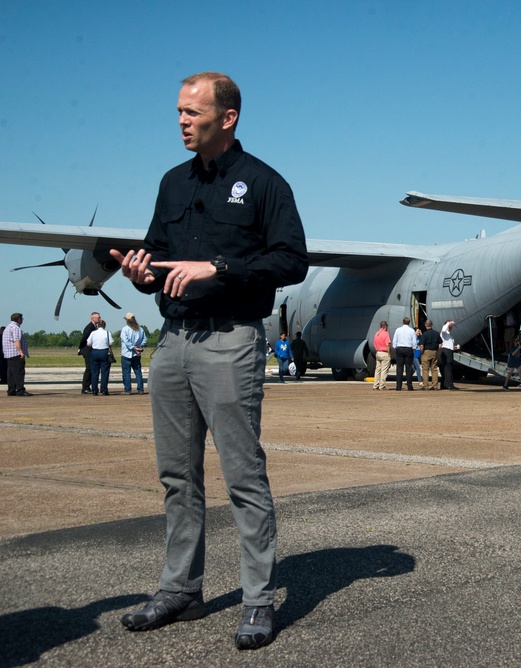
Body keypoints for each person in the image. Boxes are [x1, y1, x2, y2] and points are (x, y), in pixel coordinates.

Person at [111, 72, 308, 650]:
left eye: (192, 112)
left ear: (228, 118)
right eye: (177, 111)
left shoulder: (265, 183)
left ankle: (256, 600)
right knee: (177, 475)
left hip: (230, 341)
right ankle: (181, 590)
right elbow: (160, 259)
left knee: (243, 476)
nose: (180, 121)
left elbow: (291, 261)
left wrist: (219, 267)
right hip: (172, 342)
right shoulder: (172, 183)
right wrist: (143, 272)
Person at [120, 312, 148, 395]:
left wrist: (133, 348)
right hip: (137, 354)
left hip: (127, 354)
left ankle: (127, 389)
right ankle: (140, 389)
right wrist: (139, 347)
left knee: (126, 372)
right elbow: (144, 339)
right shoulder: (140, 329)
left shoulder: (125, 329)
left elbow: (126, 341)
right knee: (138, 372)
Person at [3, 313, 30, 397]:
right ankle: (20, 390)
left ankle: (11, 390)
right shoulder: (16, 328)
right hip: (16, 354)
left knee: (11, 373)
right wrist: (21, 351)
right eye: (22, 318)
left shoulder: (8, 328)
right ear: (19, 319)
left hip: (9, 354)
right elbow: (16, 340)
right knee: (19, 372)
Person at [86, 319, 114, 396]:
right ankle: (104, 389)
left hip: (94, 352)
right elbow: (111, 343)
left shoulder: (93, 333)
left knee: (94, 372)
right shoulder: (107, 333)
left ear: (97, 325)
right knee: (105, 372)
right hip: (104, 352)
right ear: (104, 325)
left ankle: (94, 390)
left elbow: (88, 343)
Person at [392, 317, 418, 391]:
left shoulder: (398, 330)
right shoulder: (412, 330)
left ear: (402, 322)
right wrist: (414, 349)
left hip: (400, 348)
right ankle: (409, 386)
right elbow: (414, 341)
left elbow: (395, 340)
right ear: (409, 322)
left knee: (399, 368)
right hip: (408, 349)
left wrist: (395, 348)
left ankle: (398, 386)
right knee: (408, 368)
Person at [78, 312, 101, 394]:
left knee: (91, 369)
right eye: (98, 317)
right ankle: (85, 387)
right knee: (89, 369)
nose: (99, 318)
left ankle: (88, 386)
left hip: (91, 350)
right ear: (93, 318)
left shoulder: (95, 327)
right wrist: (80, 348)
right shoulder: (89, 327)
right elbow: (84, 339)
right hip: (87, 351)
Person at [419, 319, 441, 390]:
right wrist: (436, 350)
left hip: (426, 351)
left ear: (426, 325)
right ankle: (435, 386)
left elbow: (421, 345)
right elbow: (440, 344)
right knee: (434, 369)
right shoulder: (437, 333)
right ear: (432, 325)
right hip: (434, 351)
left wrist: (422, 352)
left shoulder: (424, 334)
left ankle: (426, 385)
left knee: (425, 369)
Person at [372, 321, 391, 390]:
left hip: (378, 352)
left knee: (377, 370)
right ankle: (382, 385)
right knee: (384, 370)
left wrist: (377, 350)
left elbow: (374, 344)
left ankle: (375, 385)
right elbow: (387, 344)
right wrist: (389, 353)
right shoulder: (386, 334)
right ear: (385, 326)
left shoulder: (377, 333)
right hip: (384, 352)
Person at [439, 319, 458, 390]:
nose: (451, 327)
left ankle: (444, 384)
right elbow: (443, 330)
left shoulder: (449, 335)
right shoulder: (444, 333)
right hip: (446, 350)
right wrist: (448, 323)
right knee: (448, 368)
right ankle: (449, 385)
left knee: (447, 368)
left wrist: (455, 347)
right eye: (450, 326)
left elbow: (449, 344)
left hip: (449, 350)